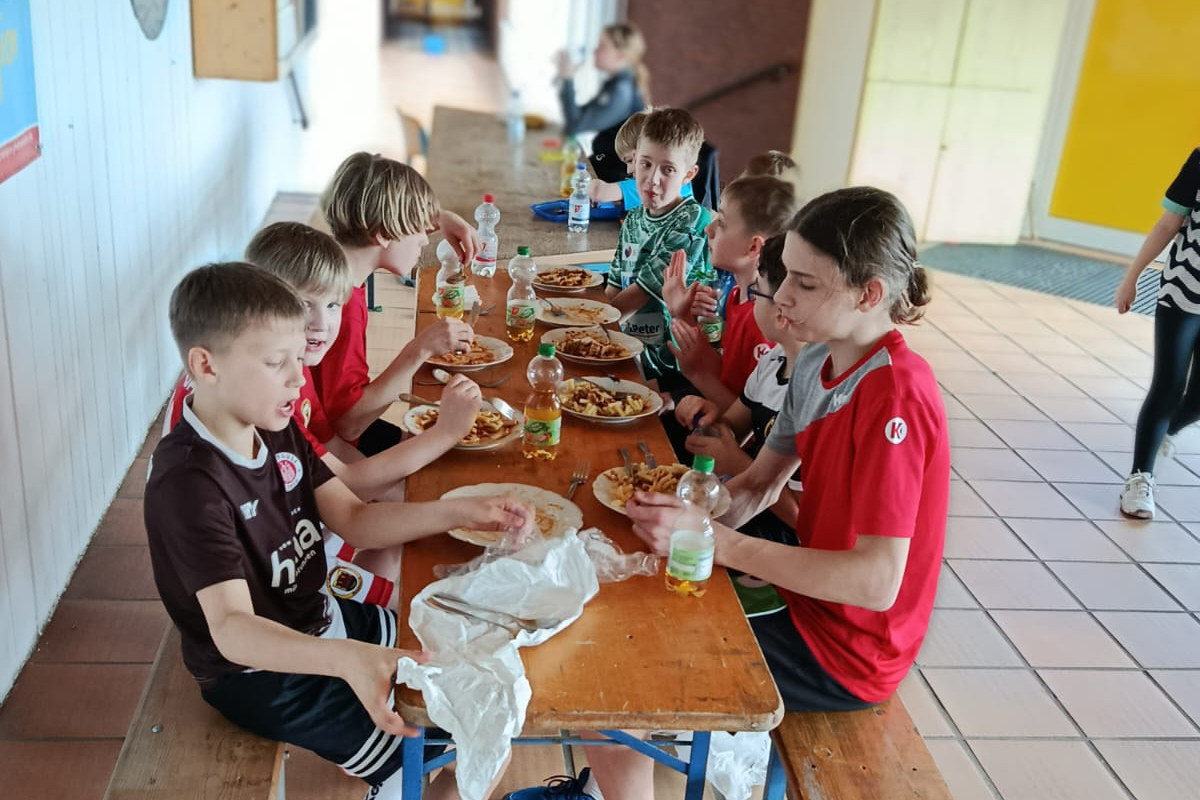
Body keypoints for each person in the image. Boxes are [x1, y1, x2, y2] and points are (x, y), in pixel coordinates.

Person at [589, 187, 948, 800]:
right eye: (786, 276)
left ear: (869, 294)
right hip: (806, 600)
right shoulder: (816, 363)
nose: (781, 297)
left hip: (847, 651)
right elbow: (758, 483)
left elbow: (876, 582)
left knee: (619, 680)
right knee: (625, 611)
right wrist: (678, 518)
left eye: (805, 284)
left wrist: (713, 541)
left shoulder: (895, 395)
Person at [146, 263, 531, 800]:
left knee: (480, 696)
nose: (298, 378)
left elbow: (355, 519)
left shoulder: (273, 425)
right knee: (417, 761)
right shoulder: (189, 483)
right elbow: (232, 629)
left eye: (297, 358)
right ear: (206, 365)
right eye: (276, 363)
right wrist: (345, 660)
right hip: (260, 674)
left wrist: (465, 511)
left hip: (321, 617)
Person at [163, 223, 484, 604]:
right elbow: (348, 492)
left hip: (306, 531)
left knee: (417, 519)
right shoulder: (259, 397)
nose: (322, 323)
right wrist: (444, 435)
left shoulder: (284, 370)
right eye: (304, 305)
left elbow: (337, 464)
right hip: (287, 570)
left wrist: (434, 494)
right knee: (426, 586)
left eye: (334, 305)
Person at [315, 152, 481, 457]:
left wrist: (437, 216)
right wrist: (419, 349)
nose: (425, 239)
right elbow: (348, 426)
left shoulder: (331, 271)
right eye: (418, 227)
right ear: (382, 233)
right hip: (330, 454)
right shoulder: (339, 307)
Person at [1115, 147, 1200, 520]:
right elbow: (1168, 224)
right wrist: (1131, 277)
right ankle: (1140, 479)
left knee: (1197, 400)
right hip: (1185, 289)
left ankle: (1165, 432)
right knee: (1168, 385)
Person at [663, 175, 797, 410]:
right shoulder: (738, 294)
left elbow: (750, 416)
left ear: (754, 247)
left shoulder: (764, 320)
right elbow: (724, 373)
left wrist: (696, 376)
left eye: (722, 223)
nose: (708, 229)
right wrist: (682, 315)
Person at [603, 107, 711, 390]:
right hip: (628, 350)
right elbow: (613, 287)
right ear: (634, 160)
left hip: (671, 371)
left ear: (688, 174)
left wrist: (594, 330)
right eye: (646, 164)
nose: (652, 179)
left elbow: (639, 294)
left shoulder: (692, 220)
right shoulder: (633, 219)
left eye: (668, 169)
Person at [556, 23, 649, 137]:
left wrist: (568, 80)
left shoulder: (620, 90)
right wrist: (566, 79)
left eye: (602, 46)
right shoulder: (615, 84)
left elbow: (575, 125)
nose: (595, 51)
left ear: (620, 55)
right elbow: (579, 115)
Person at [588, 111, 693, 210]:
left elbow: (599, 192)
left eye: (630, 160)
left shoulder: (652, 185)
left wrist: (588, 183)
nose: (628, 170)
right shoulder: (681, 184)